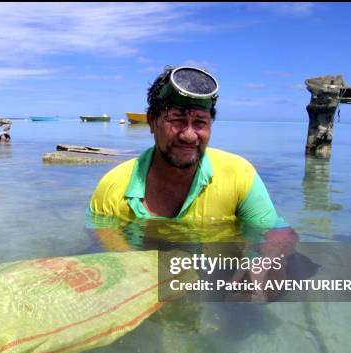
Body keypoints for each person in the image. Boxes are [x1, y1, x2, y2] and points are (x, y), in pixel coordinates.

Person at [89, 66, 297, 301]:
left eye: (200, 122)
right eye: (176, 119)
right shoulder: (113, 186)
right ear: (151, 121)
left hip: (217, 273)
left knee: (274, 278)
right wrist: (135, 269)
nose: (189, 135)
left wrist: (265, 257)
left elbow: (280, 230)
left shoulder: (238, 174)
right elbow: (101, 234)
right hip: (148, 271)